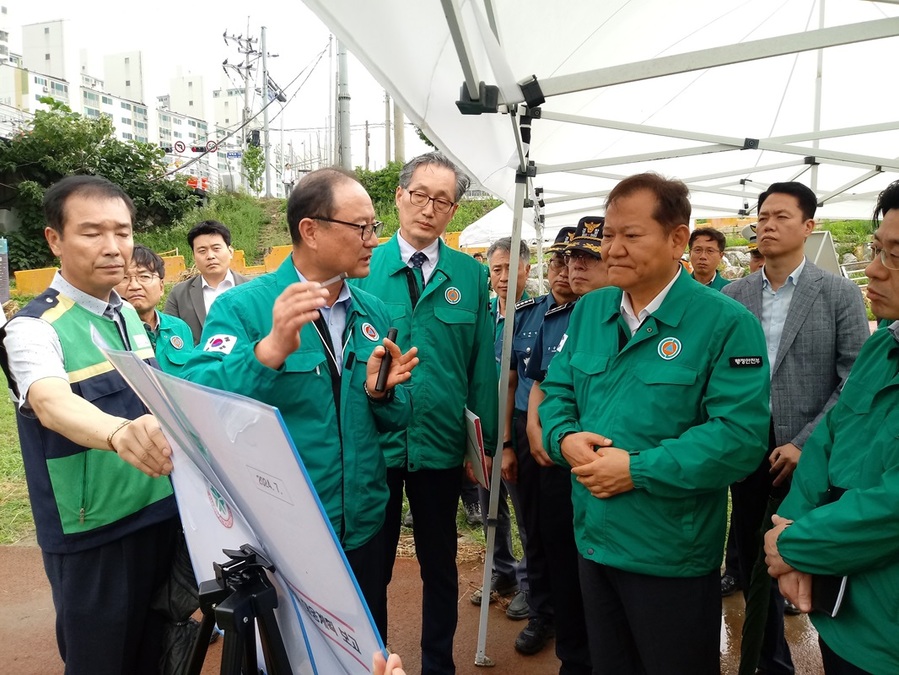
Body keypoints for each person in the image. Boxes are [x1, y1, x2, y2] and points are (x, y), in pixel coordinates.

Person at [539, 173, 770, 675]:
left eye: (631, 235)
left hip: (670, 553)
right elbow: (557, 391)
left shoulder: (726, 323)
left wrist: (637, 470)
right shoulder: (592, 310)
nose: (613, 249)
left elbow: (738, 438)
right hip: (594, 539)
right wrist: (563, 438)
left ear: (677, 239)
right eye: (609, 235)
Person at [182, 168, 418, 642]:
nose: (375, 239)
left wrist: (381, 393)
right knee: (293, 651)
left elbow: (397, 416)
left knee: (367, 648)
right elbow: (198, 396)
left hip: (366, 521)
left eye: (374, 226)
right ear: (310, 229)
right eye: (362, 227)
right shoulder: (246, 307)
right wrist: (267, 353)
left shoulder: (374, 311)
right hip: (287, 531)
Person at [0, 175, 180, 675]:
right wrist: (118, 433)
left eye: (122, 232)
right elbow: (52, 403)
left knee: (160, 656)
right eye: (92, 232)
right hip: (94, 536)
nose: (113, 247)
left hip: (160, 515)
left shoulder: (129, 318)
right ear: (54, 240)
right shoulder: (33, 329)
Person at [352, 151, 498, 675]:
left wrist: (481, 449)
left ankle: (439, 664)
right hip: (375, 447)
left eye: (442, 200)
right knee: (374, 566)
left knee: (441, 565)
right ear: (399, 196)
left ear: (453, 210)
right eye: (420, 195)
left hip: (440, 447)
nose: (429, 209)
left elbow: (483, 367)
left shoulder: (471, 276)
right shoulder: (364, 270)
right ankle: (374, 662)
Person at [722, 181, 869, 675]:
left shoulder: (839, 293)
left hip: (812, 455)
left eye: (781, 216)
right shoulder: (735, 294)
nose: (767, 224)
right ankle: (768, 663)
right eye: (762, 216)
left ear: (808, 227)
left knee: (811, 562)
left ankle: (834, 658)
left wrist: (805, 443)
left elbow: (853, 378)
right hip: (746, 450)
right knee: (752, 564)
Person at [763, 179, 899, 675]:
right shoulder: (884, 347)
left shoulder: (837, 294)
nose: (875, 269)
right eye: (877, 249)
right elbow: (829, 440)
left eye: (896, 257)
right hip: (844, 607)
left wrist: (794, 545)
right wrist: (792, 529)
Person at [520, 220, 606, 673]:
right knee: (557, 553)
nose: (575, 267)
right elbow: (539, 381)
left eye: (589, 258)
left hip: (614, 471)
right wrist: (538, 430)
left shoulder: (628, 320)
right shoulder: (563, 318)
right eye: (572, 257)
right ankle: (571, 650)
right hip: (559, 460)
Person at [470, 237, 532, 624]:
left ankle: (530, 581)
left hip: (516, 432)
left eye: (512, 268)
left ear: (528, 268)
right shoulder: (484, 313)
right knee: (492, 508)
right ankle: (502, 571)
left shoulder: (537, 314)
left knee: (525, 510)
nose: (504, 277)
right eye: (497, 269)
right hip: (482, 429)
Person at [164, 220, 249, 345]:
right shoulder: (179, 294)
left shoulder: (251, 289)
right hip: (198, 363)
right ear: (194, 256)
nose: (210, 256)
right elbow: (170, 337)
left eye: (216, 248)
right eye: (202, 251)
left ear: (230, 252)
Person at [115, 244, 194, 376]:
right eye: (124, 278)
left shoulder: (179, 328)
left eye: (144, 276)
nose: (134, 286)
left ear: (161, 287)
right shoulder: (109, 332)